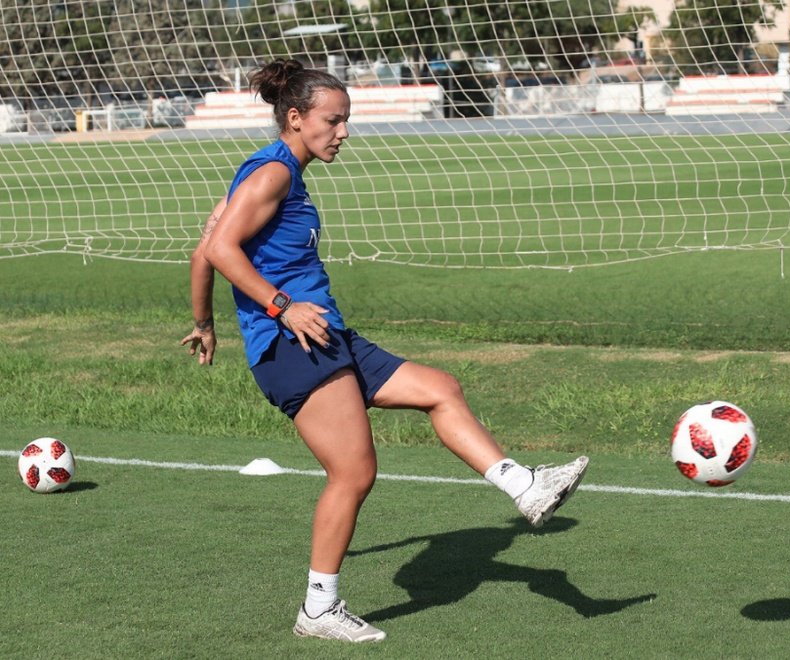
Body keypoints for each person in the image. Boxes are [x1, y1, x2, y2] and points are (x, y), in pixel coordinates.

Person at [179, 59, 589, 644]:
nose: (343, 132)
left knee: (440, 388)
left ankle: (526, 488)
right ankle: (319, 608)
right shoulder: (271, 174)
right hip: (293, 342)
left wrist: (204, 323)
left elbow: (204, 253)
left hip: (327, 335)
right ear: (295, 118)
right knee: (353, 470)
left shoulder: (273, 175)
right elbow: (221, 249)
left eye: (346, 120)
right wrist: (280, 307)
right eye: (334, 120)